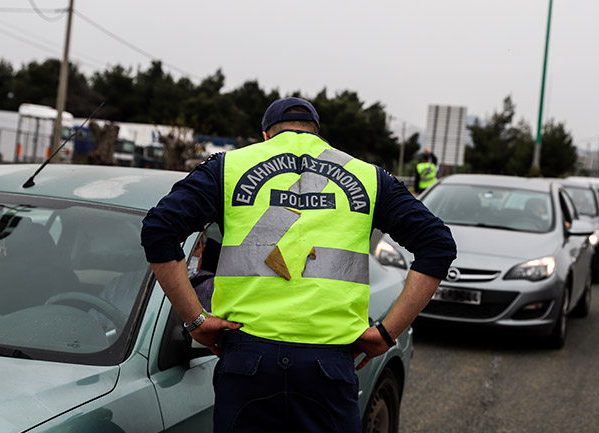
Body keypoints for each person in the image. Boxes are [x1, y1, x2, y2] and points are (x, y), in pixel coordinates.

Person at [141, 97, 456, 432]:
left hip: (248, 359)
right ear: (317, 134)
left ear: (266, 136)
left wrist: (195, 320)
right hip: (329, 364)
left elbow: (159, 228)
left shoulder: (228, 168)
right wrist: (386, 333)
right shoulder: (368, 177)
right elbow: (437, 244)